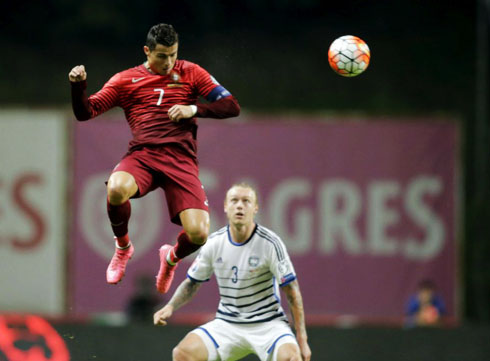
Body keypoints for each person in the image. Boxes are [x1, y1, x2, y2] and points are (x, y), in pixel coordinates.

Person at [68, 23, 240, 293]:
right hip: (144, 156)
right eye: (161, 56)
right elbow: (85, 112)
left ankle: (170, 258)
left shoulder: (191, 72)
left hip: (181, 161)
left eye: (173, 54)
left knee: (198, 235)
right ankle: (123, 247)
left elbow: (231, 106)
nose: (169, 62)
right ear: (147, 51)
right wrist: (78, 88)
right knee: (115, 189)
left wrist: (193, 108)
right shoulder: (125, 80)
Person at [153, 183, 312, 361]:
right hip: (227, 324)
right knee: (182, 353)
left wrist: (302, 338)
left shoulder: (270, 243)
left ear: (256, 208)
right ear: (226, 207)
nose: (239, 206)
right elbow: (192, 283)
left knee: (292, 358)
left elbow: (292, 291)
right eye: (234, 201)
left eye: (246, 201)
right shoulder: (214, 242)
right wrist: (170, 306)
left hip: (269, 324)